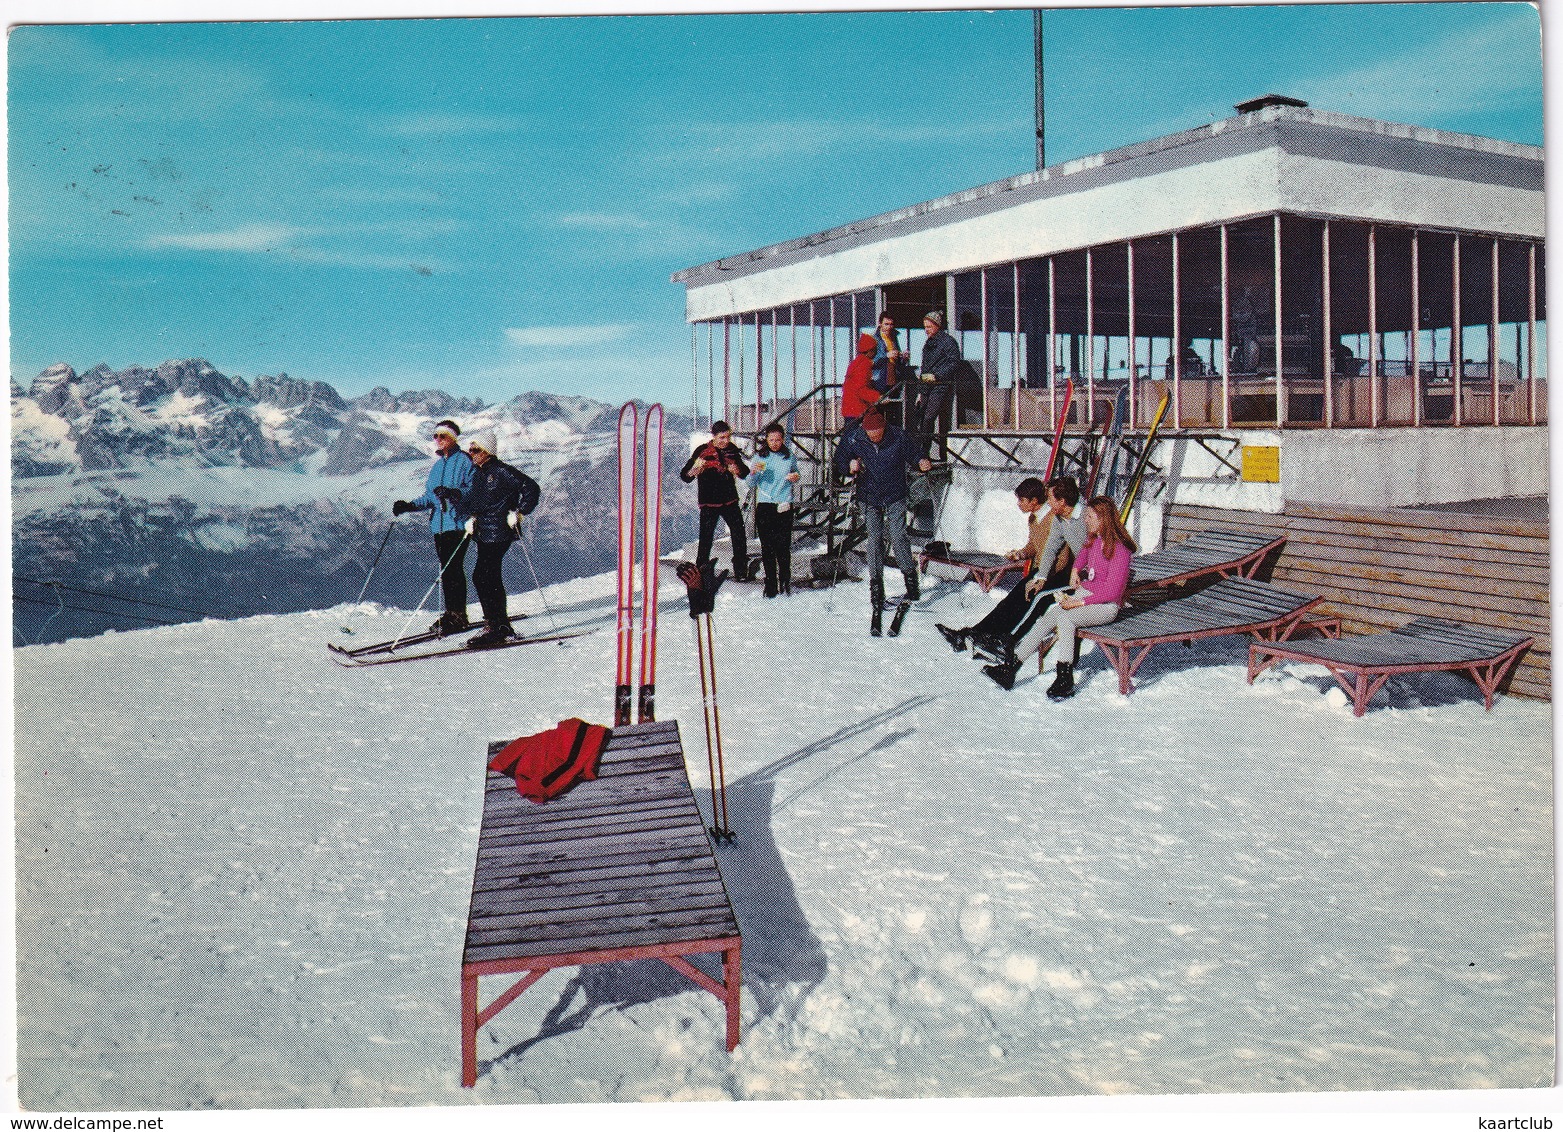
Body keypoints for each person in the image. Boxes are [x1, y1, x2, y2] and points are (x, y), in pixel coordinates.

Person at [983, 495, 1136, 696]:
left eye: (1090, 516)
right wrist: (1075, 570)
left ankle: (1065, 678)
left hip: (1106, 606)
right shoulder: (1095, 541)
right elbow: (1082, 555)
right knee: (1051, 614)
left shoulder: (1120, 550)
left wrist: (1078, 602)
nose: (1085, 520)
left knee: (1066, 617)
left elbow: (1112, 592)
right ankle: (1011, 667)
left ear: (1103, 519)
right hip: (1087, 595)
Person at [934, 475, 1079, 658]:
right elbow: (1034, 545)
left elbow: (1063, 556)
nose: (1019, 504)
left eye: (1022, 500)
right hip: (1041, 571)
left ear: (1034, 501)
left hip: (1053, 574)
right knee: (1009, 603)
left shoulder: (1053, 519)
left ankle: (1002, 639)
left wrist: (1041, 578)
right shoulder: (1034, 519)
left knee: (1025, 602)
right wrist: (1021, 553)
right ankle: (973, 634)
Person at [833, 408, 933, 629]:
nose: (874, 436)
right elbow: (839, 459)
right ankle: (876, 588)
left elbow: (915, 453)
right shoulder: (854, 437)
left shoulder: (898, 435)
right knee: (874, 539)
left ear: (884, 426)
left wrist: (922, 461)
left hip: (895, 493)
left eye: (878, 432)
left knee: (898, 537)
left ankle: (911, 581)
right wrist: (849, 467)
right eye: (870, 432)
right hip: (868, 496)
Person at [442, 430, 540, 649]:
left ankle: (496, 626)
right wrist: (460, 504)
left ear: (487, 451)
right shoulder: (479, 473)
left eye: (476, 450)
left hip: (499, 530)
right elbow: (475, 502)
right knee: (487, 575)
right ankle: (498, 624)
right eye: (471, 449)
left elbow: (531, 487)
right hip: (484, 530)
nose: (472, 453)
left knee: (484, 574)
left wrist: (520, 512)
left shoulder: (501, 471)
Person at [392, 419, 475, 635]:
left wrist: (455, 494)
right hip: (438, 526)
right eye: (435, 436)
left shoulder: (464, 461)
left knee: (452, 568)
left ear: (453, 439)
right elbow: (430, 497)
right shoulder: (437, 467)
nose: (438, 440)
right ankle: (452, 613)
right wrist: (409, 506)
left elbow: (475, 489)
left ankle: (457, 615)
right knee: (447, 569)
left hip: (457, 523)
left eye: (443, 436)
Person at [680, 421, 750, 581]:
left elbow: (744, 472)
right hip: (709, 502)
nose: (726, 441)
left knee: (738, 533)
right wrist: (692, 472)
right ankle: (701, 571)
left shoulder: (732, 450)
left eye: (728, 437)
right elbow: (685, 475)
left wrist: (737, 470)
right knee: (706, 537)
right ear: (714, 436)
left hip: (729, 500)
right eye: (722, 437)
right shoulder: (702, 451)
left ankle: (741, 570)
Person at [747, 423, 801, 598]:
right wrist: (753, 473)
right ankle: (770, 584)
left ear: (783, 439)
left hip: (784, 504)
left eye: (778, 439)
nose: (775, 443)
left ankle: (785, 581)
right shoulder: (760, 457)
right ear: (766, 440)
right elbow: (750, 483)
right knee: (767, 547)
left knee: (783, 547)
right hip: (765, 505)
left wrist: (795, 477)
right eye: (771, 440)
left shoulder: (789, 456)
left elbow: (796, 473)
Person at [914, 310, 961, 461]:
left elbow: (954, 362)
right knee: (922, 418)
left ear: (937, 326)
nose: (926, 330)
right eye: (925, 327)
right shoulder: (928, 343)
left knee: (929, 417)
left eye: (928, 326)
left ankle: (939, 454)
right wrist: (920, 392)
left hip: (940, 386)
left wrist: (937, 375)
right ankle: (924, 454)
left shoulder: (948, 342)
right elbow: (924, 367)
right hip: (927, 386)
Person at [840, 332, 882, 439]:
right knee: (853, 438)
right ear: (870, 351)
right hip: (857, 407)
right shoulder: (865, 364)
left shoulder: (856, 362)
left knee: (849, 436)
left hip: (849, 406)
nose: (877, 352)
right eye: (875, 349)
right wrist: (877, 396)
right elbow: (861, 389)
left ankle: (845, 455)